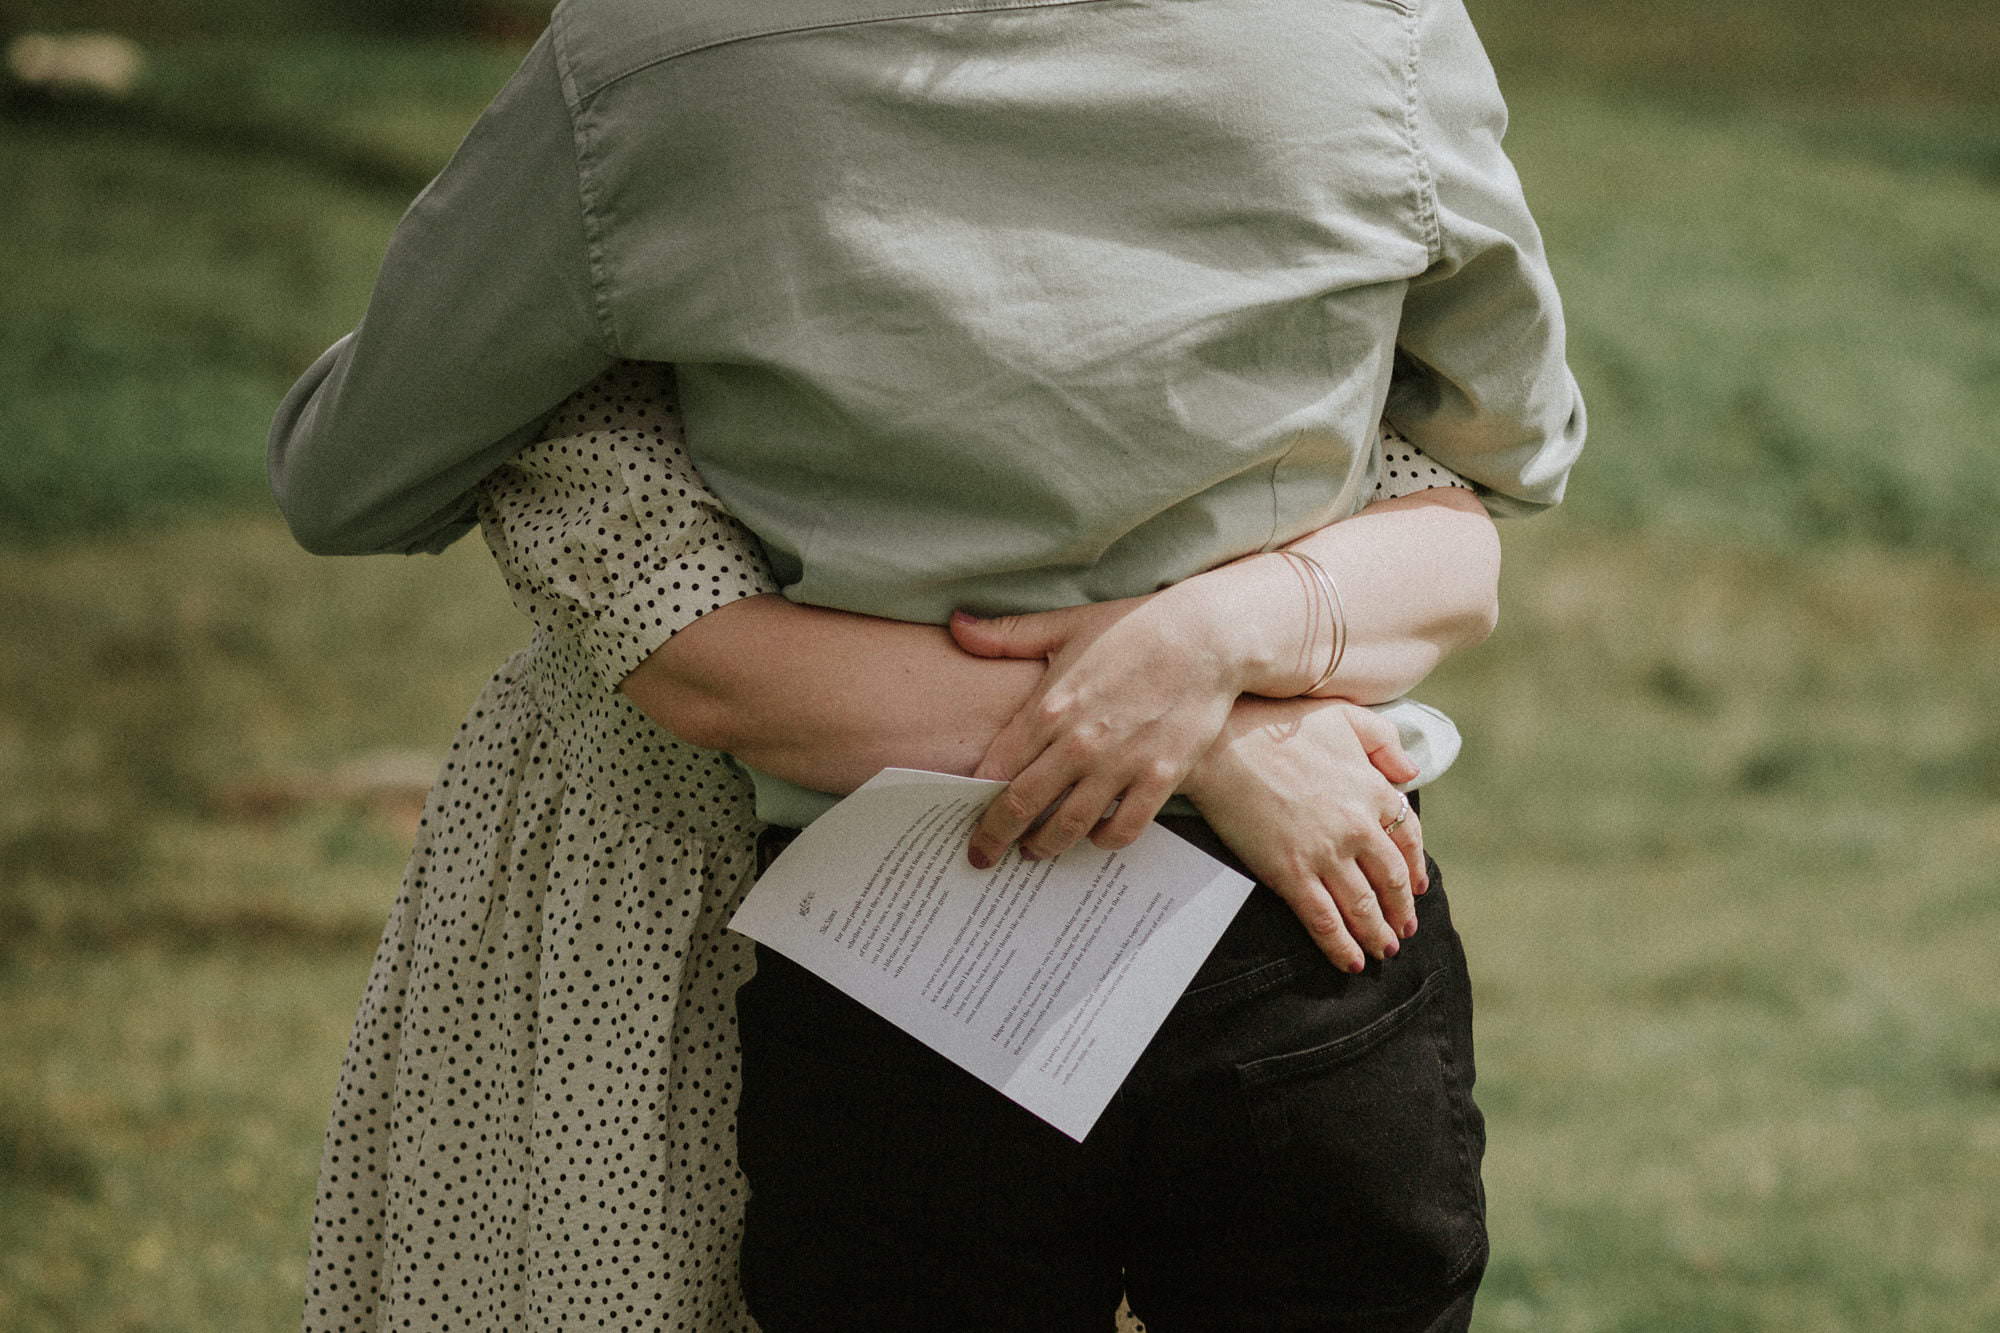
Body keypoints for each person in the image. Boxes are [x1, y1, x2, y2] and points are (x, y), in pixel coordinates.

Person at [271, 0, 1583, 1327]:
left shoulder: (651, 55)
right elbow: (1511, 436)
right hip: (1303, 916)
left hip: (898, 940)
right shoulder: (1367, 24)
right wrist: (1210, 689)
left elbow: (344, 474)